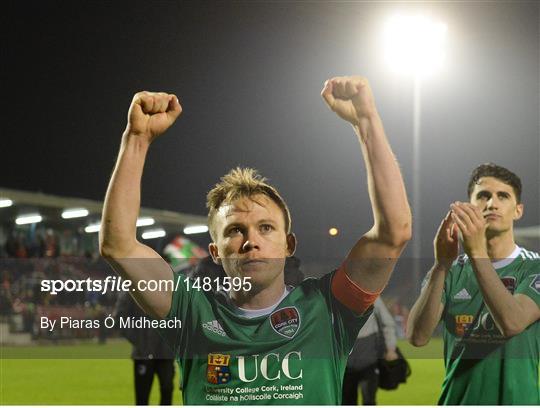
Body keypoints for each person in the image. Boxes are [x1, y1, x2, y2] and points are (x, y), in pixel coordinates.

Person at [99, 76, 411, 404]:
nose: (251, 240)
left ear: (289, 245)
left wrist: (366, 122)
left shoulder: (327, 309)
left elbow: (394, 233)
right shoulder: (192, 312)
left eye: (265, 228)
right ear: (215, 252)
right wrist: (136, 139)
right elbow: (118, 246)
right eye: (235, 230)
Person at [406, 163, 540, 405]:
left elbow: (513, 322)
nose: (492, 203)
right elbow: (417, 337)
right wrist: (440, 266)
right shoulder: (450, 270)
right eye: (483, 196)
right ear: (470, 205)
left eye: (503, 196)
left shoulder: (534, 268)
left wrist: (476, 252)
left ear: (518, 210)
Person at [114, 291, 175, 405]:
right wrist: (140, 341)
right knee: (142, 397)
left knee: (167, 391)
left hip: (166, 352)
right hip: (143, 353)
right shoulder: (131, 288)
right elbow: (119, 318)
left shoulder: (169, 285)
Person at [342, 298, 398, 405]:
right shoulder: (337, 292)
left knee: (369, 400)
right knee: (347, 401)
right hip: (345, 360)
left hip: (369, 357)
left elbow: (387, 322)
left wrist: (390, 348)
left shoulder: (372, 295)